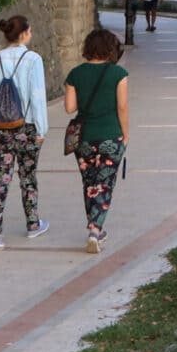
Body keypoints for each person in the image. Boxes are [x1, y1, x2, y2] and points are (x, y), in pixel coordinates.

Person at [0, 13, 49, 249]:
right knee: (28, 176)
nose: (31, 35)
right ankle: (33, 224)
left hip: (0, 128)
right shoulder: (33, 59)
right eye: (29, 31)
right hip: (26, 127)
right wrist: (41, 127)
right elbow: (37, 96)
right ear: (23, 34)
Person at [64, 28, 131, 254]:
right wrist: (126, 134)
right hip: (111, 135)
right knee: (105, 183)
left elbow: (70, 108)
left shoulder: (75, 74)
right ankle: (95, 229)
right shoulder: (118, 73)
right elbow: (122, 107)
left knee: (90, 182)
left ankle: (94, 226)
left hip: (84, 138)